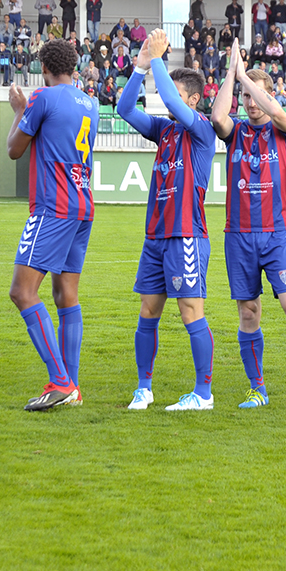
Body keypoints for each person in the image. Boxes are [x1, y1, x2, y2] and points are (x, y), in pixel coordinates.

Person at [208, 39, 286, 409]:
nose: (250, 103)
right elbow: (217, 118)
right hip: (238, 236)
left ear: (268, 95)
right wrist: (232, 73)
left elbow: (275, 110)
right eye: (245, 96)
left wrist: (245, 76)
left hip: (277, 235)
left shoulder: (284, 128)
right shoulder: (236, 133)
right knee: (248, 312)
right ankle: (257, 388)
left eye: (255, 95)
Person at [117, 29, 217, 411]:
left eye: (176, 93)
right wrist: (140, 67)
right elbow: (125, 110)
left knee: (190, 312)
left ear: (193, 100)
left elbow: (171, 101)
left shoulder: (202, 129)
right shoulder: (164, 131)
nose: (167, 100)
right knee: (148, 311)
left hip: (186, 234)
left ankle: (203, 394)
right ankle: (144, 388)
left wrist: (158, 57)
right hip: (156, 235)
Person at [5, 38, 97, 411]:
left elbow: (14, 149)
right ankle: (71, 387)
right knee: (66, 295)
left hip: (53, 206)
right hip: (82, 204)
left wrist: (19, 110)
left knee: (22, 292)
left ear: (44, 68)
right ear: (74, 67)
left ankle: (60, 381)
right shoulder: (89, 102)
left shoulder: (42, 97)